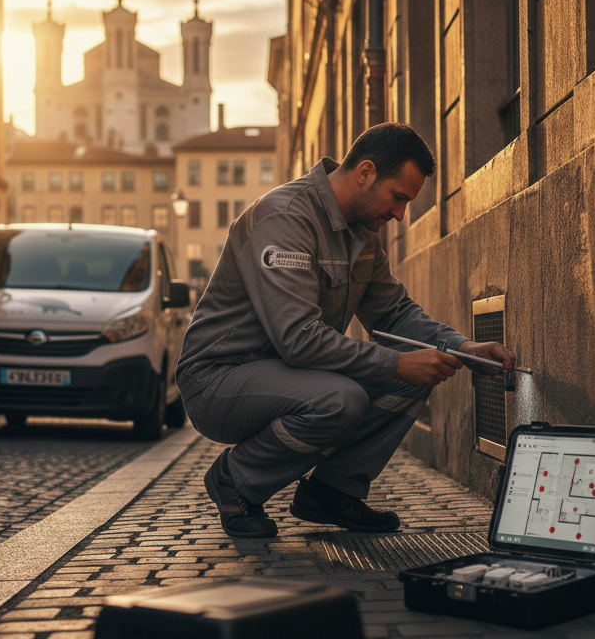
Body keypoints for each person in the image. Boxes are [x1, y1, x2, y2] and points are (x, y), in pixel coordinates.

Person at [175, 123, 516, 538]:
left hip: (285, 372)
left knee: (418, 374)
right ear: (366, 172)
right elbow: (299, 340)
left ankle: (332, 492)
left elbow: (393, 315)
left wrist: (462, 348)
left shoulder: (362, 236)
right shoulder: (285, 218)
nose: (400, 215)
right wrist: (397, 363)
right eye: (399, 197)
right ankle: (236, 480)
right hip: (217, 380)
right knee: (342, 399)